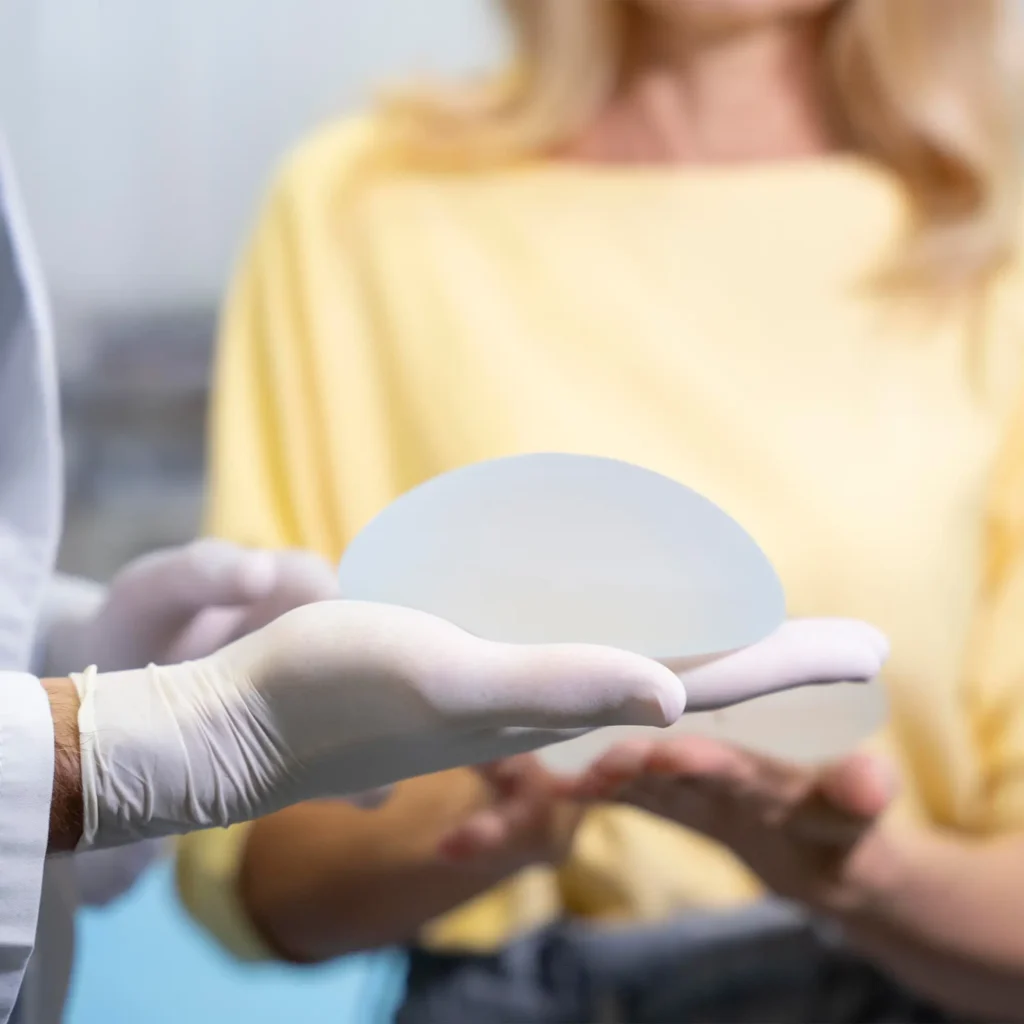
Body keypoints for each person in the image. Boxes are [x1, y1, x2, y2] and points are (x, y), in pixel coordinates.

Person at [174, 0, 1024, 1020]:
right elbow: (268, 866)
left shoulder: (989, 228)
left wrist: (868, 879)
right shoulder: (362, 205)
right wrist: (482, 811)